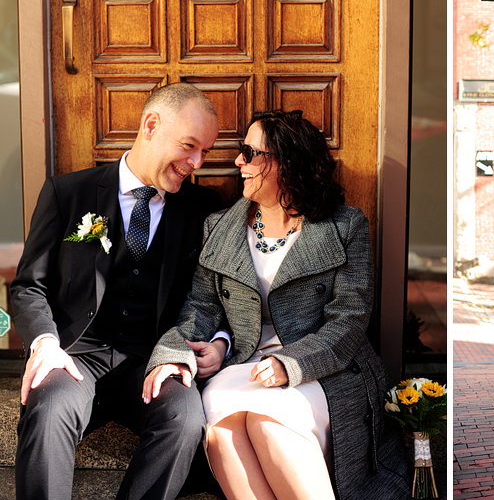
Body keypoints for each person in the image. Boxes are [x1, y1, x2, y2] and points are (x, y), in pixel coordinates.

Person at [142, 110, 409, 500]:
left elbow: (349, 320)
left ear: (288, 161)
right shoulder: (221, 226)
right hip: (245, 368)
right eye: (241, 152)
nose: (238, 162)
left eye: (250, 153)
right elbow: (200, 307)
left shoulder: (345, 226)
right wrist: (174, 353)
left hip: (324, 370)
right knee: (220, 432)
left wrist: (291, 363)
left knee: (269, 425)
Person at [10, 83, 221, 500]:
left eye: (205, 153)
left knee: (183, 417)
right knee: (49, 408)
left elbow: (218, 294)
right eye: (189, 146)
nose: (195, 163)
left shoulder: (204, 210)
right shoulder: (67, 193)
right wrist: (45, 344)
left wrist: (218, 342)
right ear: (151, 125)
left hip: (151, 361)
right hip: (75, 356)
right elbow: (27, 285)